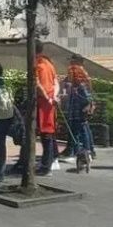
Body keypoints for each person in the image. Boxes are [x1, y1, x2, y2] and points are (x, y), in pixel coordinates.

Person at [60, 56, 96, 166]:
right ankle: (84, 151)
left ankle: (86, 151)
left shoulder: (79, 84)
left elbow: (86, 97)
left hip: (78, 111)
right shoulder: (80, 80)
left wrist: (87, 106)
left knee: (81, 129)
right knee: (80, 129)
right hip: (77, 111)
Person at [34, 42, 59, 175]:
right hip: (50, 103)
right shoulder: (49, 64)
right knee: (49, 133)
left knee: (46, 135)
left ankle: (46, 165)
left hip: (43, 103)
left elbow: (37, 84)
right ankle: (51, 159)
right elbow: (56, 82)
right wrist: (53, 97)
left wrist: (46, 98)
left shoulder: (37, 65)